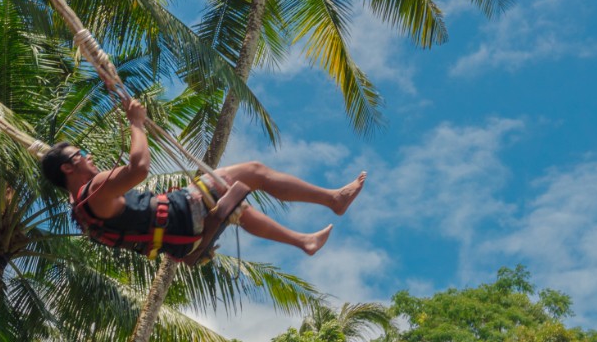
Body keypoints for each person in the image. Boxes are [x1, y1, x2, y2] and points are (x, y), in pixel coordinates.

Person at [41, 99, 364, 259]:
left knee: (236, 206)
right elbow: (140, 168)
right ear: (68, 168)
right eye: (81, 153)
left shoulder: (80, 212)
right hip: (182, 215)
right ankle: (332, 200)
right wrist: (136, 123)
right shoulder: (93, 190)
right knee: (253, 170)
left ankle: (302, 241)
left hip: (180, 238)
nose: (89, 157)